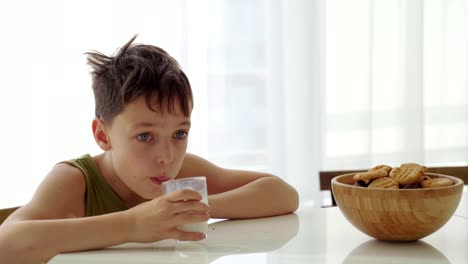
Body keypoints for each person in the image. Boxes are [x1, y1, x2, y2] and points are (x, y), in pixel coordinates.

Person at [0, 35, 299, 263]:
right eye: (145, 136)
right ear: (103, 135)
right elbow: (6, 243)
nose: (167, 156)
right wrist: (133, 224)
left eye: (179, 133)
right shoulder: (75, 180)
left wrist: (187, 210)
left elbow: (283, 194)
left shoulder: (182, 173)